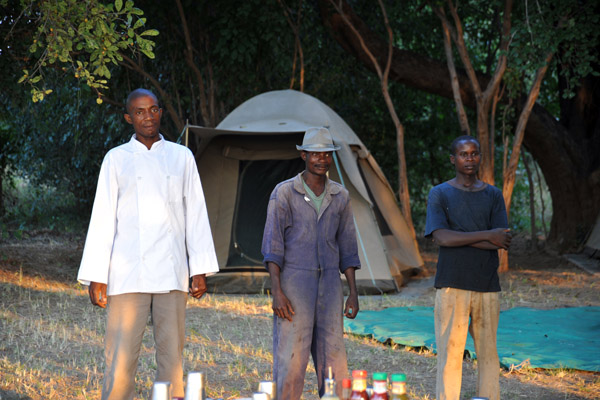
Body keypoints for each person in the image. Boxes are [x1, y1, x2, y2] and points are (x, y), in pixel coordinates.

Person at [77, 88, 219, 400]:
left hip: (172, 270)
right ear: (129, 117)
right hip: (128, 272)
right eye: (139, 112)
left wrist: (200, 269)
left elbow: (195, 213)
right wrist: (97, 274)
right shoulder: (116, 159)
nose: (148, 117)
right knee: (121, 357)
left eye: (153, 110)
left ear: (160, 113)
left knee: (172, 356)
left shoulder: (181, 156)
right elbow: (103, 218)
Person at [261, 127, 360, 400]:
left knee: (334, 360)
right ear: (303, 155)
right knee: (291, 359)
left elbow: (348, 248)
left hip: (330, 285)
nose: (322, 159)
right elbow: (273, 247)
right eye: (315, 154)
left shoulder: (340, 196)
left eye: (327, 154)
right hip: (294, 286)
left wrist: (352, 292)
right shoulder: (284, 193)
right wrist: (277, 291)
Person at [424, 135, 512, 400]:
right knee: (450, 354)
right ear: (453, 159)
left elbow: (502, 241)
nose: (469, 159)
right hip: (452, 284)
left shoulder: (493, 195)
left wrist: (461, 237)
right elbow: (440, 238)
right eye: (463, 154)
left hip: (487, 285)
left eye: (474, 154)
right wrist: (487, 235)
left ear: (479, 158)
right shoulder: (440, 193)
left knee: (488, 355)